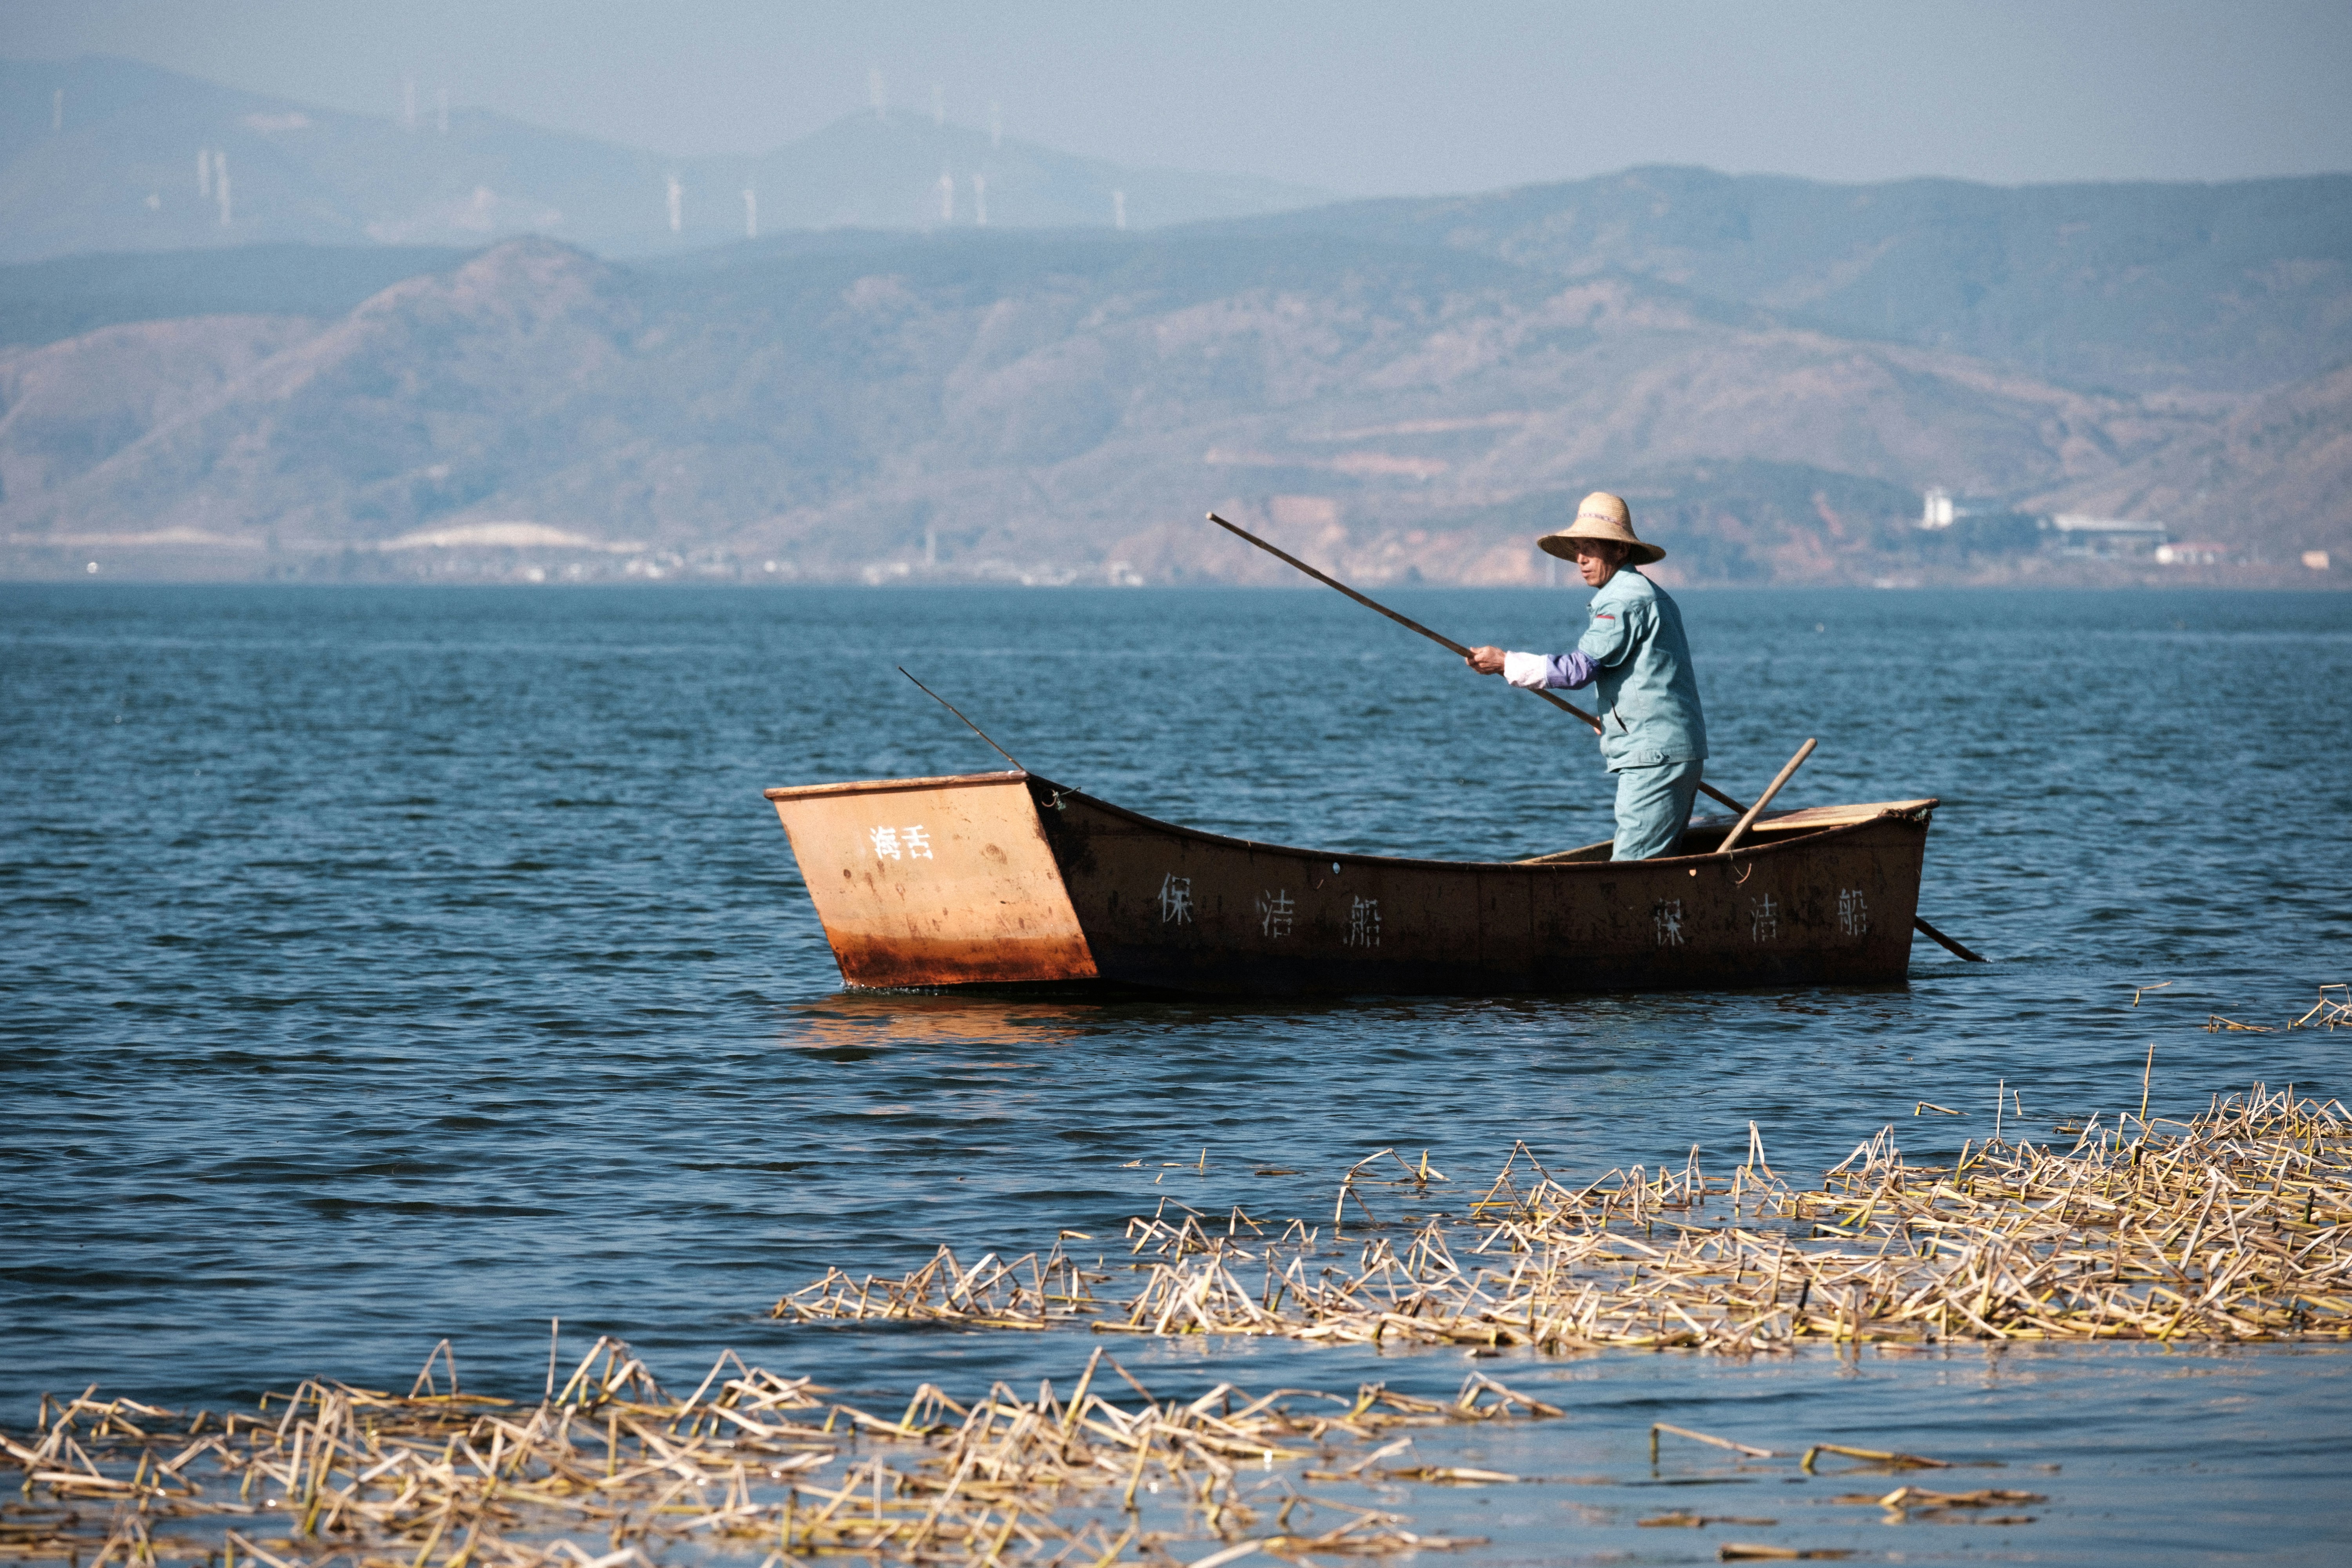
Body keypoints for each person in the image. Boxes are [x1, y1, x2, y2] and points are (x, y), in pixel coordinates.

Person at [1465, 492, 1708, 860]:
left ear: (1620, 551)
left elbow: (1579, 670)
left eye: (1591, 548)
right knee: (1657, 867)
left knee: (1632, 870)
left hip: (1652, 756)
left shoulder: (1623, 600)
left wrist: (1506, 663)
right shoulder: (1648, 594)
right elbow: (1651, 674)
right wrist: (1614, 716)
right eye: (1579, 549)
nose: (1581, 560)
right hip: (1670, 749)